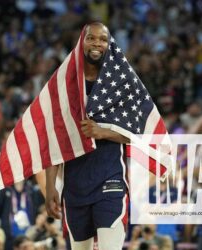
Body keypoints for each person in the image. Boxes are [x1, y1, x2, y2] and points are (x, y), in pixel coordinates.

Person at [45, 22, 131, 250]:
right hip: (74, 186)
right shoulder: (65, 85)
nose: (97, 44)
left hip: (109, 181)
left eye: (102, 39)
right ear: (80, 43)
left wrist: (102, 132)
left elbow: (136, 134)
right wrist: (51, 186)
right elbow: (55, 138)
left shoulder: (120, 83)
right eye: (91, 38)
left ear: (109, 44)